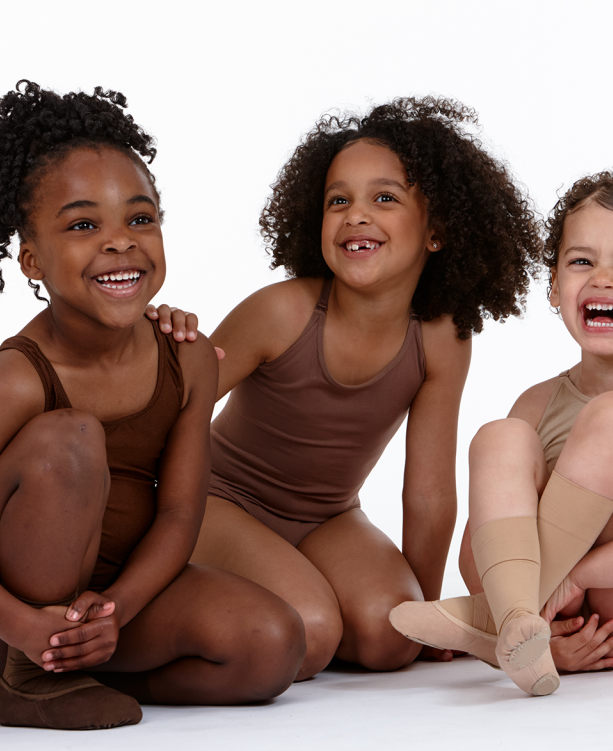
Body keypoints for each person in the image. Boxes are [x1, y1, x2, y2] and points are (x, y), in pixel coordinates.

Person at [0, 81, 305, 729]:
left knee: (273, 645)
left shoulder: (188, 355)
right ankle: (29, 675)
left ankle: (73, 666)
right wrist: (24, 629)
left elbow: (178, 512)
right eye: (85, 225)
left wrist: (116, 609)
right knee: (72, 438)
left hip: (111, 596)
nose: (120, 242)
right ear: (31, 259)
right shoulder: (17, 376)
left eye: (139, 219)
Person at [154, 97, 543, 681]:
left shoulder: (440, 338)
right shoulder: (282, 312)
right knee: (309, 629)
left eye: (384, 198)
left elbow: (430, 494)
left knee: (390, 639)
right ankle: (188, 618)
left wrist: (425, 613)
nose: (356, 215)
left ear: (436, 231)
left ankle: (290, 596)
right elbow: (170, 410)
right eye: (339, 200)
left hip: (329, 517)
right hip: (222, 501)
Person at [390, 168, 613, 696]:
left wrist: (575, 577)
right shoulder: (538, 402)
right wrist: (537, 629)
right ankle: (517, 626)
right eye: (581, 261)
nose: (602, 278)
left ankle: (493, 622)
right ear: (554, 289)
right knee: (499, 436)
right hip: (550, 619)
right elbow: (478, 553)